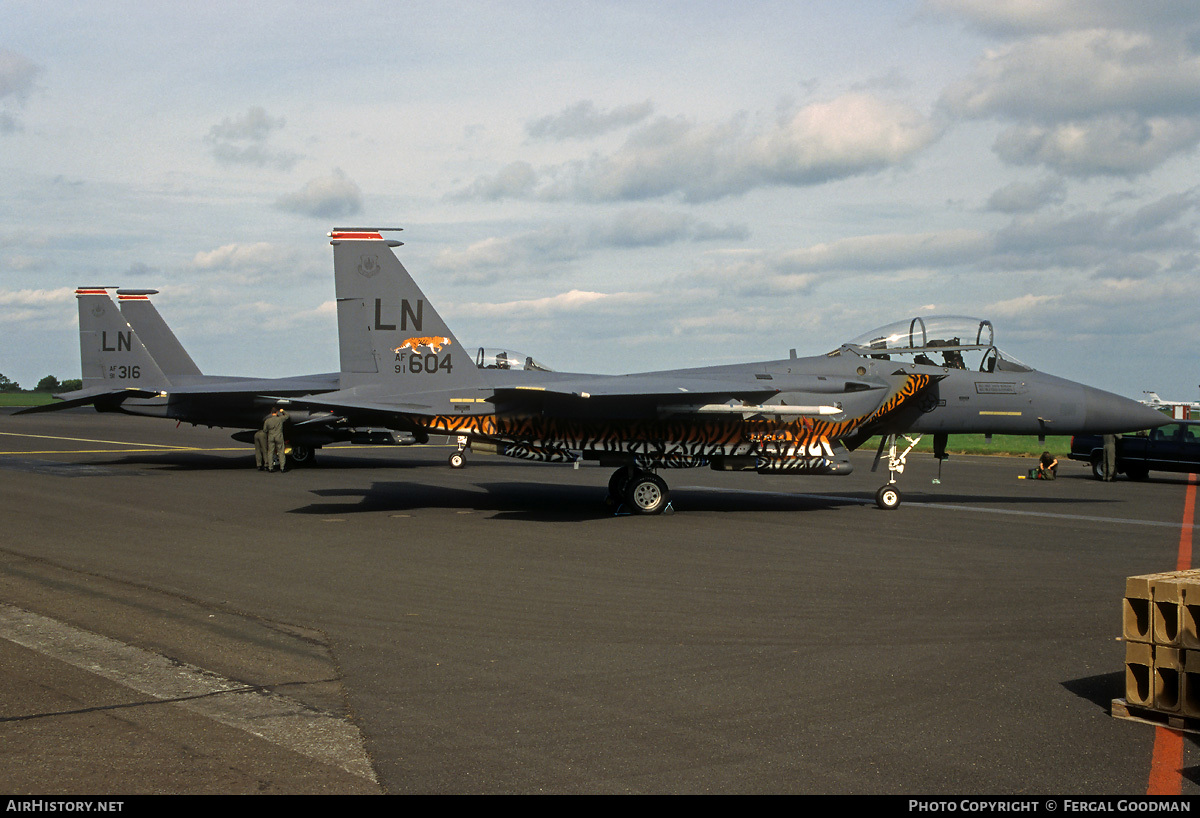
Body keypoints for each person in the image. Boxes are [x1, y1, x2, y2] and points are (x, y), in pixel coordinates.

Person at [263, 405, 290, 472]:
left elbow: (265, 430)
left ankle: (270, 468)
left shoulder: (267, 421)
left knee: (270, 452)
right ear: (277, 412)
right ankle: (282, 468)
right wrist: (283, 411)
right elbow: (287, 416)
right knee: (281, 452)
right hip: (279, 437)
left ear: (271, 412)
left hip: (271, 437)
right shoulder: (280, 419)